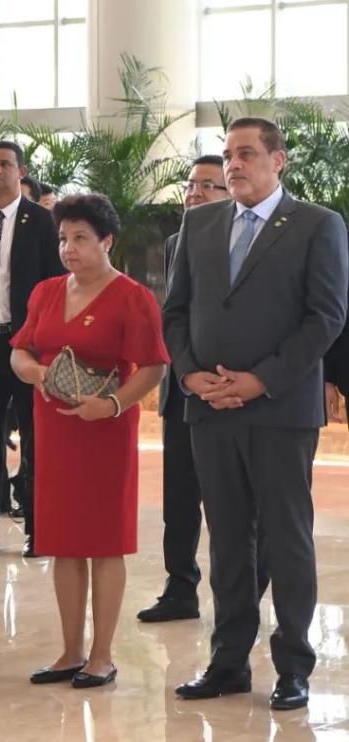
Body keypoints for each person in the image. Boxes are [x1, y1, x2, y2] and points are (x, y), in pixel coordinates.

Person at [165, 118, 348, 711]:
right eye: (228, 154)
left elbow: (326, 316)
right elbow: (176, 311)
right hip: (210, 409)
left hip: (279, 411)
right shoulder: (199, 223)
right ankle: (228, 662)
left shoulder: (317, 224)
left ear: (278, 160)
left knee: (286, 540)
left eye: (246, 153)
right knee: (226, 541)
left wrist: (260, 380)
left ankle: (293, 665)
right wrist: (189, 374)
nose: (234, 164)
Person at [10, 193, 168, 688]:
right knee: (63, 542)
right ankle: (70, 651)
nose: (69, 248)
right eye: (63, 238)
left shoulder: (132, 296)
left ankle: (102, 655)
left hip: (104, 431)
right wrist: (34, 371)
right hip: (55, 429)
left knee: (103, 542)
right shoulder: (46, 292)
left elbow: (153, 367)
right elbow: (20, 350)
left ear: (107, 241)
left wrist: (114, 404)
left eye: (80, 238)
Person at [139, 155, 234, 622]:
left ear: (230, 193)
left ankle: (236, 595)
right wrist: (186, 373)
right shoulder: (177, 241)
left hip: (229, 386)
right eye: (190, 186)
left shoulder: (246, 242)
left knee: (230, 503)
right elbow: (174, 315)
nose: (194, 194)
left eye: (207, 186)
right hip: (183, 386)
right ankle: (179, 588)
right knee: (179, 498)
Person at [0, 140, 63, 557]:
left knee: (36, 440)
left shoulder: (41, 221)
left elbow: (56, 283)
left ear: (21, 172)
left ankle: (39, 531)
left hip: (28, 345)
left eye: (5, 164)